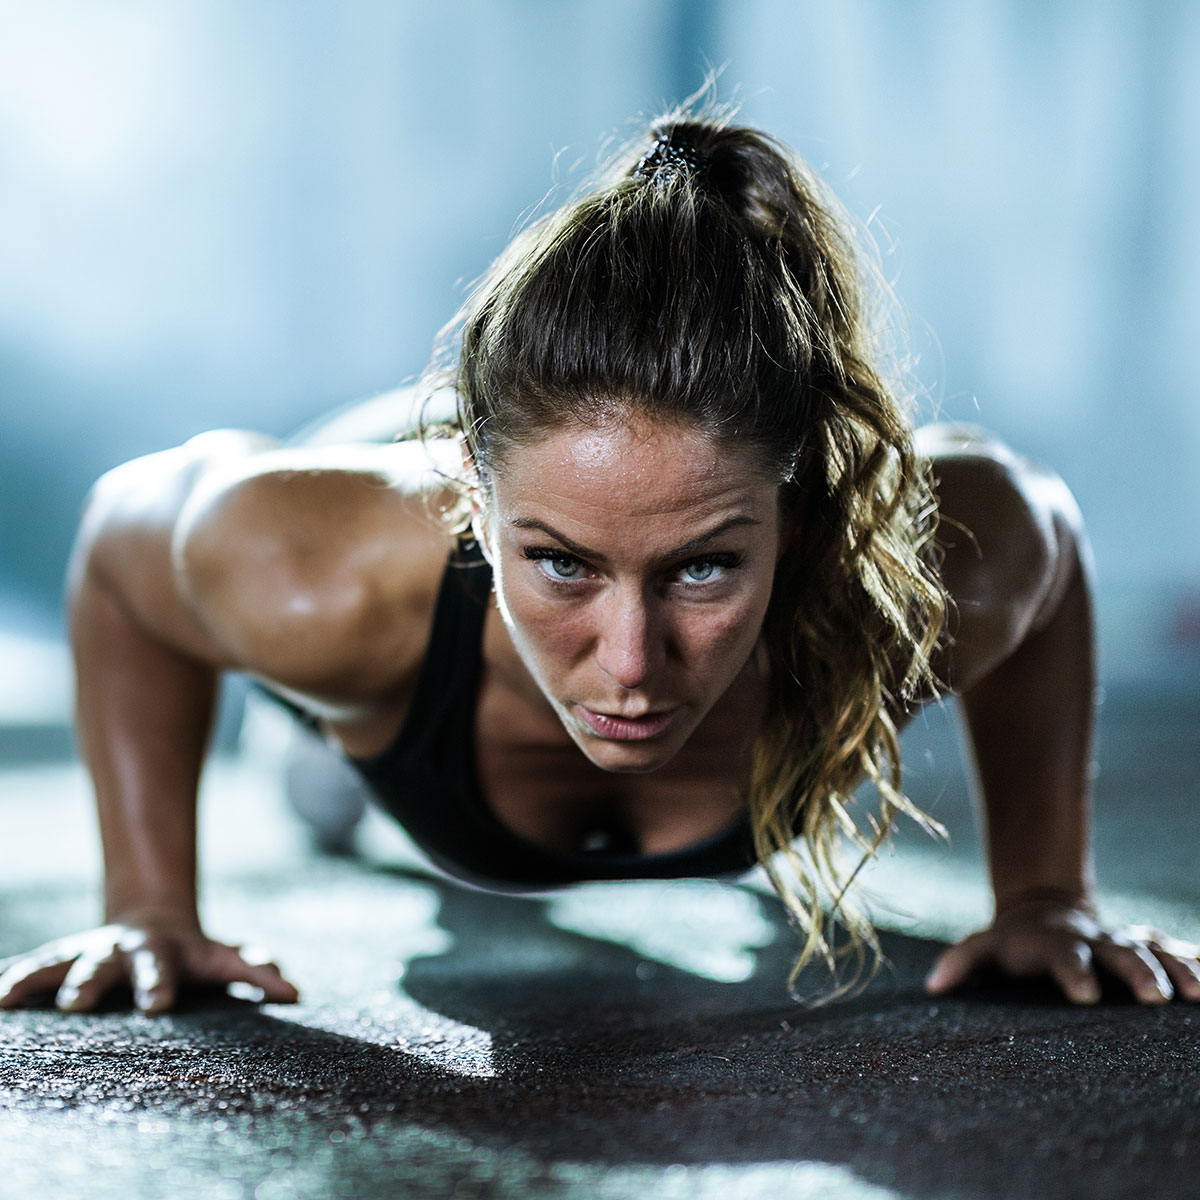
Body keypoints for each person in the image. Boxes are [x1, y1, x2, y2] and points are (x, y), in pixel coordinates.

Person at [2, 106, 1197, 1016]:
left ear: (799, 507)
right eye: (565, 568)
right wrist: (149, 904)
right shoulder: (318, 580)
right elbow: (120, 545)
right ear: (473, 498)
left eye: (704, 571)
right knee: (316, 774)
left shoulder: (922, 568)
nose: (632, 666)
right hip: (373, 672)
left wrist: (1047, 894)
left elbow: (1045, 534)